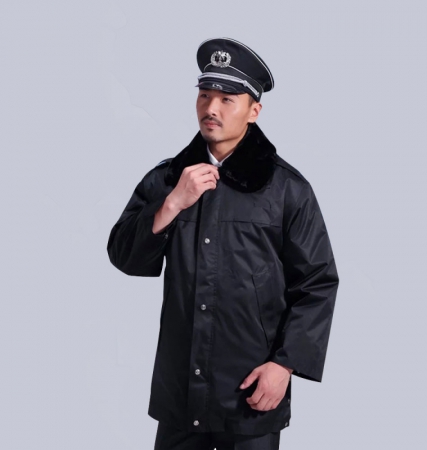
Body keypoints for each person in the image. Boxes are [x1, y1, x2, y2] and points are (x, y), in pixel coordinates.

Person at [107, 37, 339, 450]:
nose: (211, 108)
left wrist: (284, 366)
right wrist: (172, 203)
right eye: (204, 95)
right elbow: (124, 256)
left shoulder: (286, 189)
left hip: (250, 392)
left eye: (227, 99)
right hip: (181, 392)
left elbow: (317, 283)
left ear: (254, 111)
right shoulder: (167, 180)